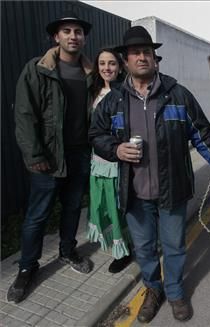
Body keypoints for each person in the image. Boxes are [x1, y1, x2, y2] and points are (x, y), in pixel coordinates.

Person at [88, 26, 210, 323]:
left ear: (156, 59)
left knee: (174, 246)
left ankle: (176, 291)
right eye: (135, 53)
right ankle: (153, 290)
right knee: (144, 248)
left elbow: (202, 133)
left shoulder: (177, 95)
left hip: (172, 189)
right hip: (134, 192)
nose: (142, 57)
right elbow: (96, 134)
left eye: (147, 53)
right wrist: (116, 150)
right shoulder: (113, 101)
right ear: (125, 61)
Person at [8, 12, 93, 304]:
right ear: (56, 37)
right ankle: (26, 268)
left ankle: (67, 251)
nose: (73, 36)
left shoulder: (90, 71)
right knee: (37, 216)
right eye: (67, 31)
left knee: (72, 209)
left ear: (83, 37)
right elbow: (24, 114)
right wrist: (34, 155)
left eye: (78, 31)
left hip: (80, 154)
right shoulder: (37, 69)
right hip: (47, 158)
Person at [86, 47, 132, 273]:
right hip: (97, 161)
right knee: (103, 206)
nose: (107, 68)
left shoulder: (126, 92)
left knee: (118, 207)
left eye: (112, 63)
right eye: (102, 63)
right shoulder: (92, 92)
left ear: (121, 66)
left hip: (118, 162)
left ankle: (124, 251)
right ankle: (115, 245)